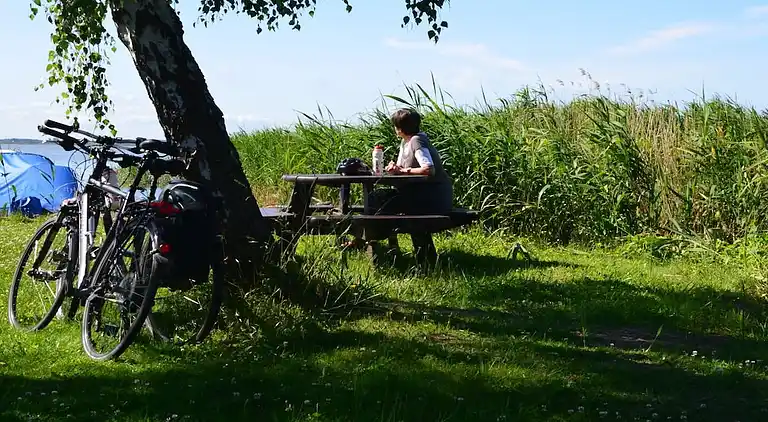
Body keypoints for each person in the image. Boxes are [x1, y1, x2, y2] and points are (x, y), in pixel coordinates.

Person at [373, 108, 453, 215]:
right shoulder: (405, 141)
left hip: (433, 198)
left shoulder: (417, 141)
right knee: (377, 198)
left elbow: (429, 169)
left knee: (377, 200)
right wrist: (395, 168)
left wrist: (403, 171)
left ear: (400, 129)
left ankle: (379, 230)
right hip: (419, 194)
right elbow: (403, 168)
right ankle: (382, 230)